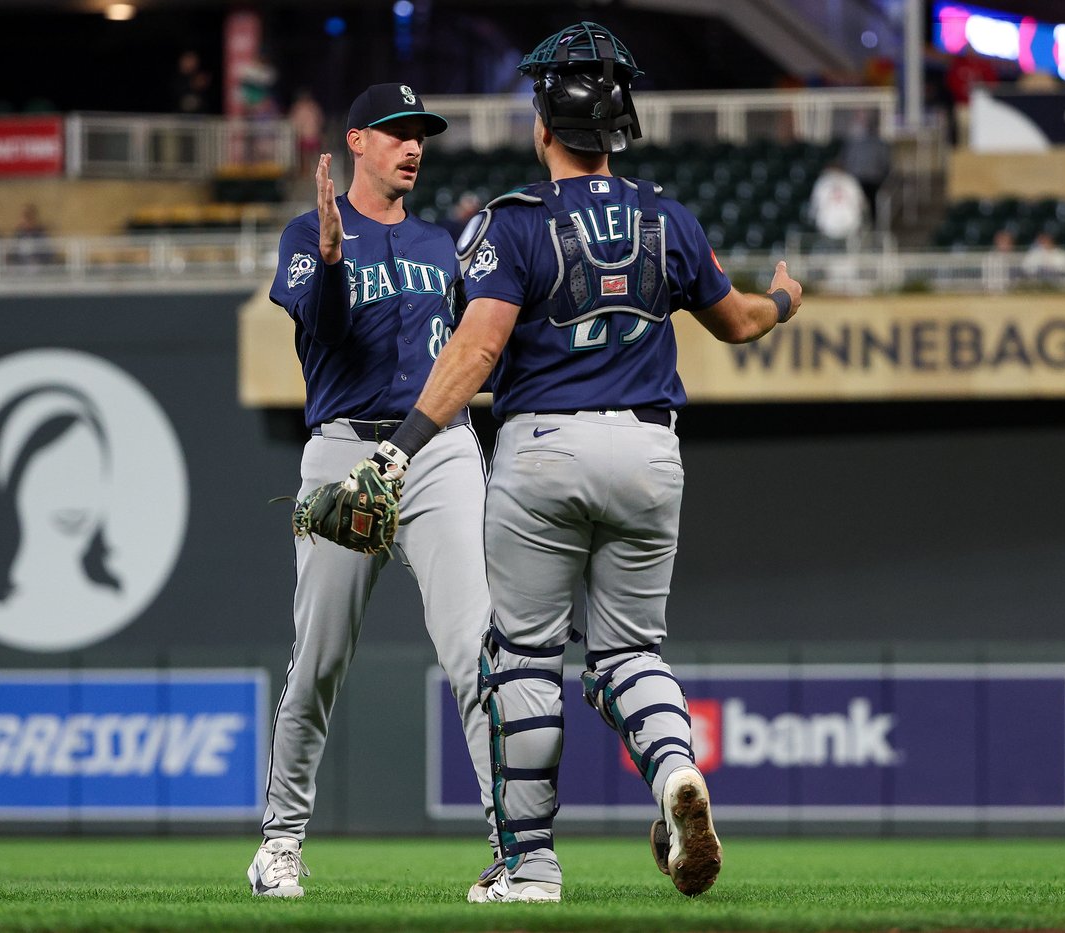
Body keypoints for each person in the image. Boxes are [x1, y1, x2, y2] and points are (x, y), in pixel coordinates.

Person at [328, 22, 802, 903]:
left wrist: (399, 449)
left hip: (544, 452)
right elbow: (739, 322)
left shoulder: (511, 223)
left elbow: (473, 355)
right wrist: (783, 297)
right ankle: (673, 779)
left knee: (523, 661)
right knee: (629, 651)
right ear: (622, 124)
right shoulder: (670, 216)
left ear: (544, 124)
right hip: (651, 452)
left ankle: (530, 865)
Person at [249, 82, 496, 898]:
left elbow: (475, 348)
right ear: (355, 142)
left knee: (475, 651)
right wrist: (326, 260)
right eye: (396, 132)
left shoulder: (439, 244)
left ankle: (517, 846)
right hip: (344, 451)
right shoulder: (305, 234)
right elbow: (318, 331)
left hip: (437, 449)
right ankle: (279, 841)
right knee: (318, 659)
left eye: (420, 132)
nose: (412, 144)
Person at [809, 160, 869, 241]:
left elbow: (813, 210)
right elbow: (863, 206)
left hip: (838, 228)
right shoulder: (849, 180)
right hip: (841, 227)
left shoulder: (849, 181)